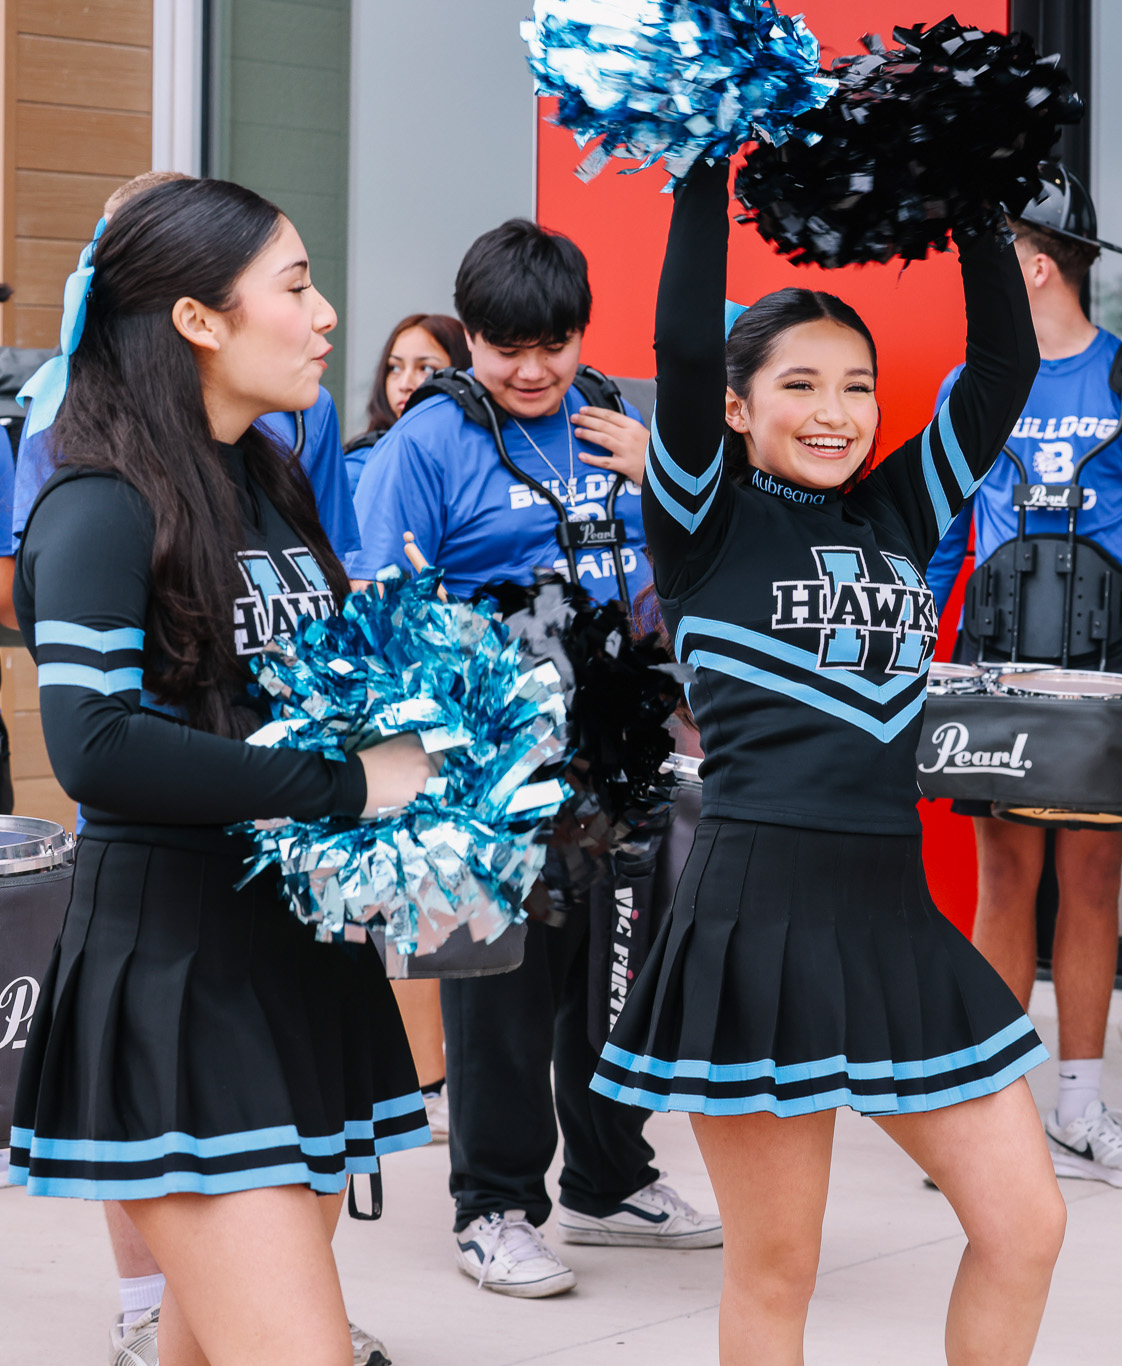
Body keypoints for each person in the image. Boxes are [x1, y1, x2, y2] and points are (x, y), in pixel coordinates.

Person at [589, 157, 1064, 1366]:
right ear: (740, 410)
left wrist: (970, 205)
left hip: (894, 918)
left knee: (1024, 1222)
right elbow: (685, 352)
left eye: (855, 385)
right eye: (799, 384)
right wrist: (704, 160)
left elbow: (1002, 371)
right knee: (779, 1271)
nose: (835, 410)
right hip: (758, 922)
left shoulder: (899, 510)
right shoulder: (702, 518)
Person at [4, 177, 436, 1366]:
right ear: (199, 318)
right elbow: (93, 746)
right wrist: (349, 785)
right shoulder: (97, 503)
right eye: (295, 286)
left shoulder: (268, 482)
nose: (327, 315)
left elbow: (311, 697)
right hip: (178, 973)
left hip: (291, 956)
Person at [351, 217, 717, 1299]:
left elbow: (675, 566)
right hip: (487, 763)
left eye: (551, 344)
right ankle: (495, 1206)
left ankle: (609, 1178)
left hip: (615, 746)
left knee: (614, 977)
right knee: (498, 988)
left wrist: (665, 475)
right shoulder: (427, 441)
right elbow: (383, 610)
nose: (529, 369)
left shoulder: (611, 415)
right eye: (505, 346)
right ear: (468, 336)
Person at [924, 164, 1122, 1190]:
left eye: (993, 257)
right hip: (998, 656)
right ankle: (991, 1114)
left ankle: (1078, 1112)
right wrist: (924, 647)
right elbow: (948, 526)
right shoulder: (974, 384)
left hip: (1107, 658)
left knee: (1087, 884)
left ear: (1034, 266)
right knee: (1004, 882)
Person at [344, 313, 470, 490]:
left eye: (425, 368)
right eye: (395, 368)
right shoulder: (361, 469)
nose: (404, 385)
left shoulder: (484, 456)